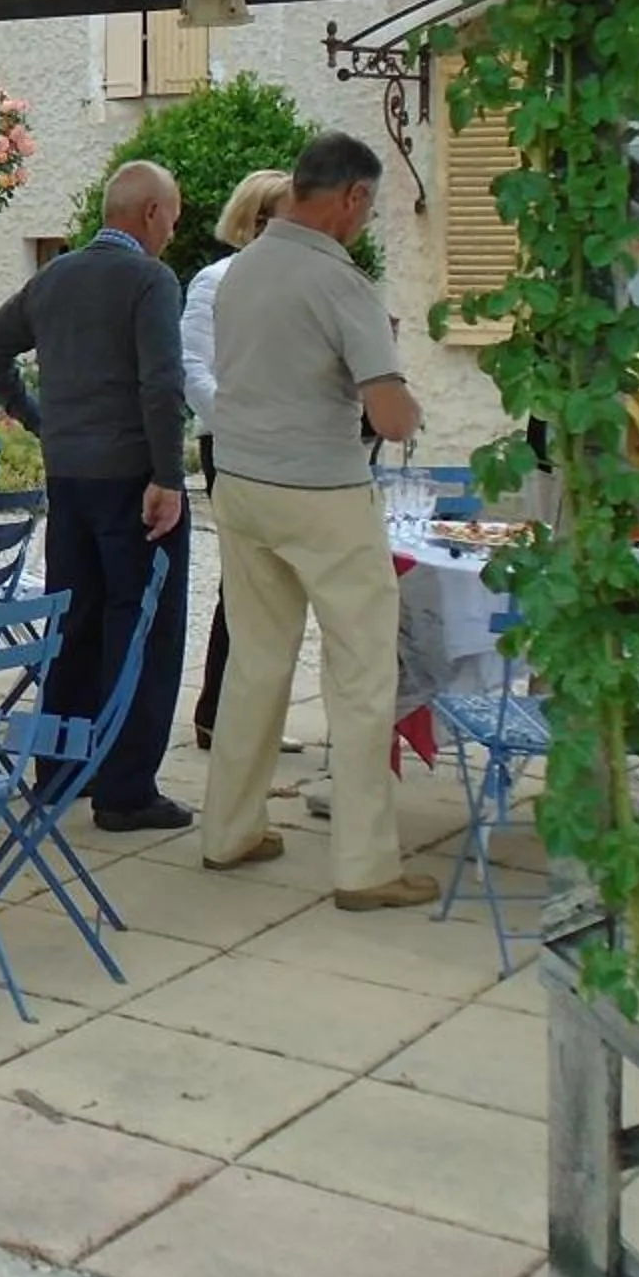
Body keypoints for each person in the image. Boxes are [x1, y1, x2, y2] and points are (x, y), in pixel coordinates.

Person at [199, 130, 437, 909]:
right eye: (367, 210)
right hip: (322, 491)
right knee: (363, 673)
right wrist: (411, 407)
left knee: (256, 661)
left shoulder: (240, 271)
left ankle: (229, 831)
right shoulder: (341, 283)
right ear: (353, 197)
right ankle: (365, 867)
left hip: (241, 481)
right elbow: (389, 415)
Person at [0, 160, 192, 831]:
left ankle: (61, 770)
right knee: (143, 628)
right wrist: (169, 476)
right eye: (172, 219)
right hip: (133, 479)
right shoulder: (150, 280)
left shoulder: (55, 277)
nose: (172, 234)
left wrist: (40, 419)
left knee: (73, 622)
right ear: (149, 212)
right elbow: (162, 385)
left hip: (68, 478)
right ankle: (127, 790)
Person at [180, 168, 292, 750]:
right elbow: (191, 368)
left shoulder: (302, 282)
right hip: (233, 445)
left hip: (290, 449)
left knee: (282, 587)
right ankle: (217, 714)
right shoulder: (215, 281)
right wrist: (240, 425)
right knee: (247, 582)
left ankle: (258, 719)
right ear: (258, 220)